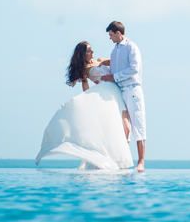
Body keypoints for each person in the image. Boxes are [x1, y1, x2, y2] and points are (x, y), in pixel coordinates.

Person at [35, 41, 133, 170]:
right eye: (89, 50)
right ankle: (117, 160)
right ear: (82, 54)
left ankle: (119, 159)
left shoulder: (100, 60)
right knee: (121, 127)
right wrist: (88, 101)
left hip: (116, 92)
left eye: (92, 49)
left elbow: (117, 63)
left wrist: (108, 61)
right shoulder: (84, 70)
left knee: (126, 127)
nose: (92, 52)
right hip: (105, 94)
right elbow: (86, 87)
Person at [100, 21, 146, 172]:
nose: (110, 38)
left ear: (118, 33)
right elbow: (112, 68)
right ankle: (123, 159)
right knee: (122, 127)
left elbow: (134, 69)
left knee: (138, 126)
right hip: (119, 92)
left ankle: (141, 161)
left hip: (132, 90)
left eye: (111, 34)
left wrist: (114, 77)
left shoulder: (131, 47)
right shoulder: (114, 51)